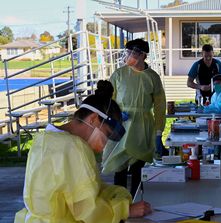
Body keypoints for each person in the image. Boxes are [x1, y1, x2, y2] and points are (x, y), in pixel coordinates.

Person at [14, 80, 152, 223]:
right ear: (93, 119)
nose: (104, 144)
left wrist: (116, 193)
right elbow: (87, 210)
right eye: (106, 134)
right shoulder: (74, 147)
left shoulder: (44, 139)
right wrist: (125, 210)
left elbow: (80, 188)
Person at [101, 39, 166, 197]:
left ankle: (137, 202)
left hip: (142, 127)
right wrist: (114, 114)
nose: (129, 55)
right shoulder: (119, 74)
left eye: (133, 53)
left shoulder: (152, 77)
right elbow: (108, 99)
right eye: (127, 52)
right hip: (121, 125)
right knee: (119, 167)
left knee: (138, 168)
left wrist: (158, 132)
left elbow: (159, 106)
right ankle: (120, 203)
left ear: (143, 55)